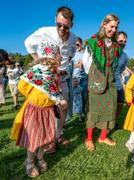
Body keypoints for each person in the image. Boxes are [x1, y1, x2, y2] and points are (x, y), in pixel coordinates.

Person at [24, 6, 77, 144]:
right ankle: (48, 139)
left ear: (71, 25)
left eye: (66, 27)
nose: (61, 29)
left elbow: (70, 55)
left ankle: (58, 134)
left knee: (63, 106)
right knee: (47, 108)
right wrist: (37, 60)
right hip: (47, 77)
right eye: (59, 25)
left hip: (63, 77)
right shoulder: (44, 31)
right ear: (55, 20)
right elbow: (28, 43)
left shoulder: (74, 39)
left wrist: (64, 67)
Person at [10, 37, 62, 177]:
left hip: (48, 111)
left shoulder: (55, 73)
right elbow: (22, 86)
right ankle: (29, 162)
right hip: (34, 110)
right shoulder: (37, 69)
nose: (52, 60)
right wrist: (33, 96)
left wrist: (56, 100)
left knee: (46, 138)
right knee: (33, 138)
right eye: (54, 55)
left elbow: (55, 89)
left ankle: (40, 157)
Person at [83, 14, 121, 151]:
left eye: (116, 27)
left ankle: (103, 137)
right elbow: (86, 64)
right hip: (97, 79)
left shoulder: (115, 44)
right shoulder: (93, 41)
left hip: (110, 80)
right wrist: (96, 77)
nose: (114, 30)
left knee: (110, 107)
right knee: (94, 109)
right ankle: (88, 138)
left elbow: (115, 64)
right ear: (104, 24)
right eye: (111, 26)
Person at [114, 31, 128, 128]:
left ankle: (113, 121)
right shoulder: (108, 51)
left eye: (125, 41)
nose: (123, 43)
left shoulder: (125, 56)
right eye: (120, 41)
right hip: (106, 82)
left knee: (120, 103)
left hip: (118, 83)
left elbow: (121, 70)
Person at [72, 37, 88, 120]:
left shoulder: (85, 53)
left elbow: (88, 64)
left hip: (84, 78)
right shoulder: (72, 54)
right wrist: (77, 65)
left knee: (84, 96)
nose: (76, 46)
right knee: (77, 96)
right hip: (75, 78)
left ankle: (83, 111)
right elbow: (69, 65)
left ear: (81, 44)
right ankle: (80, 115)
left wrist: (83, 63)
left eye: (78, 44)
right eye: (75, 44)